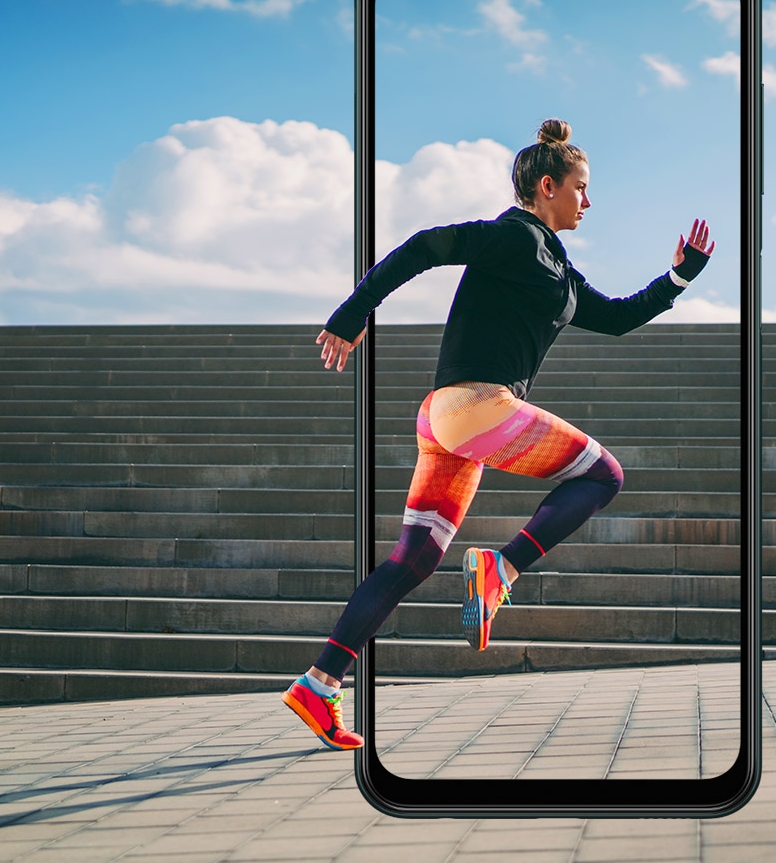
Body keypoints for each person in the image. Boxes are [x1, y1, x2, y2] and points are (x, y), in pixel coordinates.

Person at [282, 119, 715, 750]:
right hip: (477, 405)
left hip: (447, 422)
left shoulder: (558, 268)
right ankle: (501, 569)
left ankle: (320, 684)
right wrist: (351, 315)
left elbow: (618, 319)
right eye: (581, 188)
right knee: (602, 475)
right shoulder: (514, 237)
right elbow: (424, 246)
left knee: (416, 557)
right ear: (547, 187)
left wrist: (679, 277)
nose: (588, 202)